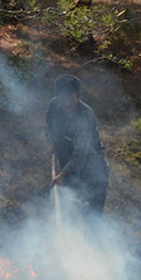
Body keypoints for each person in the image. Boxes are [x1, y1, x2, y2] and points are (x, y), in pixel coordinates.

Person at [46, 74, 109, 214]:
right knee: (72, 211)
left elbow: (80, 154)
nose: (66, 103)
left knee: (91, 217)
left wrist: (63, 175)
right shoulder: (54, 105)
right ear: (58, 95)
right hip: (70, 169)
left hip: (93, 173)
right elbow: (49, 125)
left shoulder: (85, 117)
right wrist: (52, 142)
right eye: (62, 97)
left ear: (78, 96)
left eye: (70, 98)